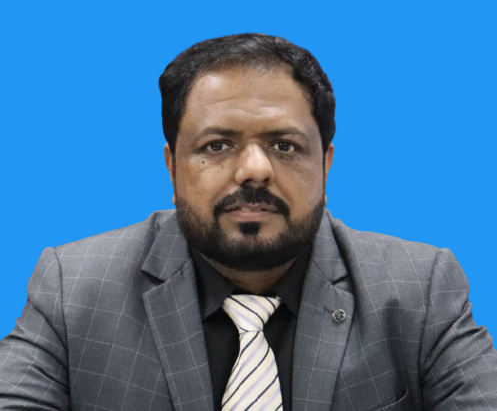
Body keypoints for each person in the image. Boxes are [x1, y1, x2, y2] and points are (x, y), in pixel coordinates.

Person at [0, 34, 496, 411]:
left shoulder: (420, 290)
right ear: (172, 167)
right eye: (217, 145)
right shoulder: (73, 289)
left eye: (284, 145)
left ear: (325, 164)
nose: (255, 170)